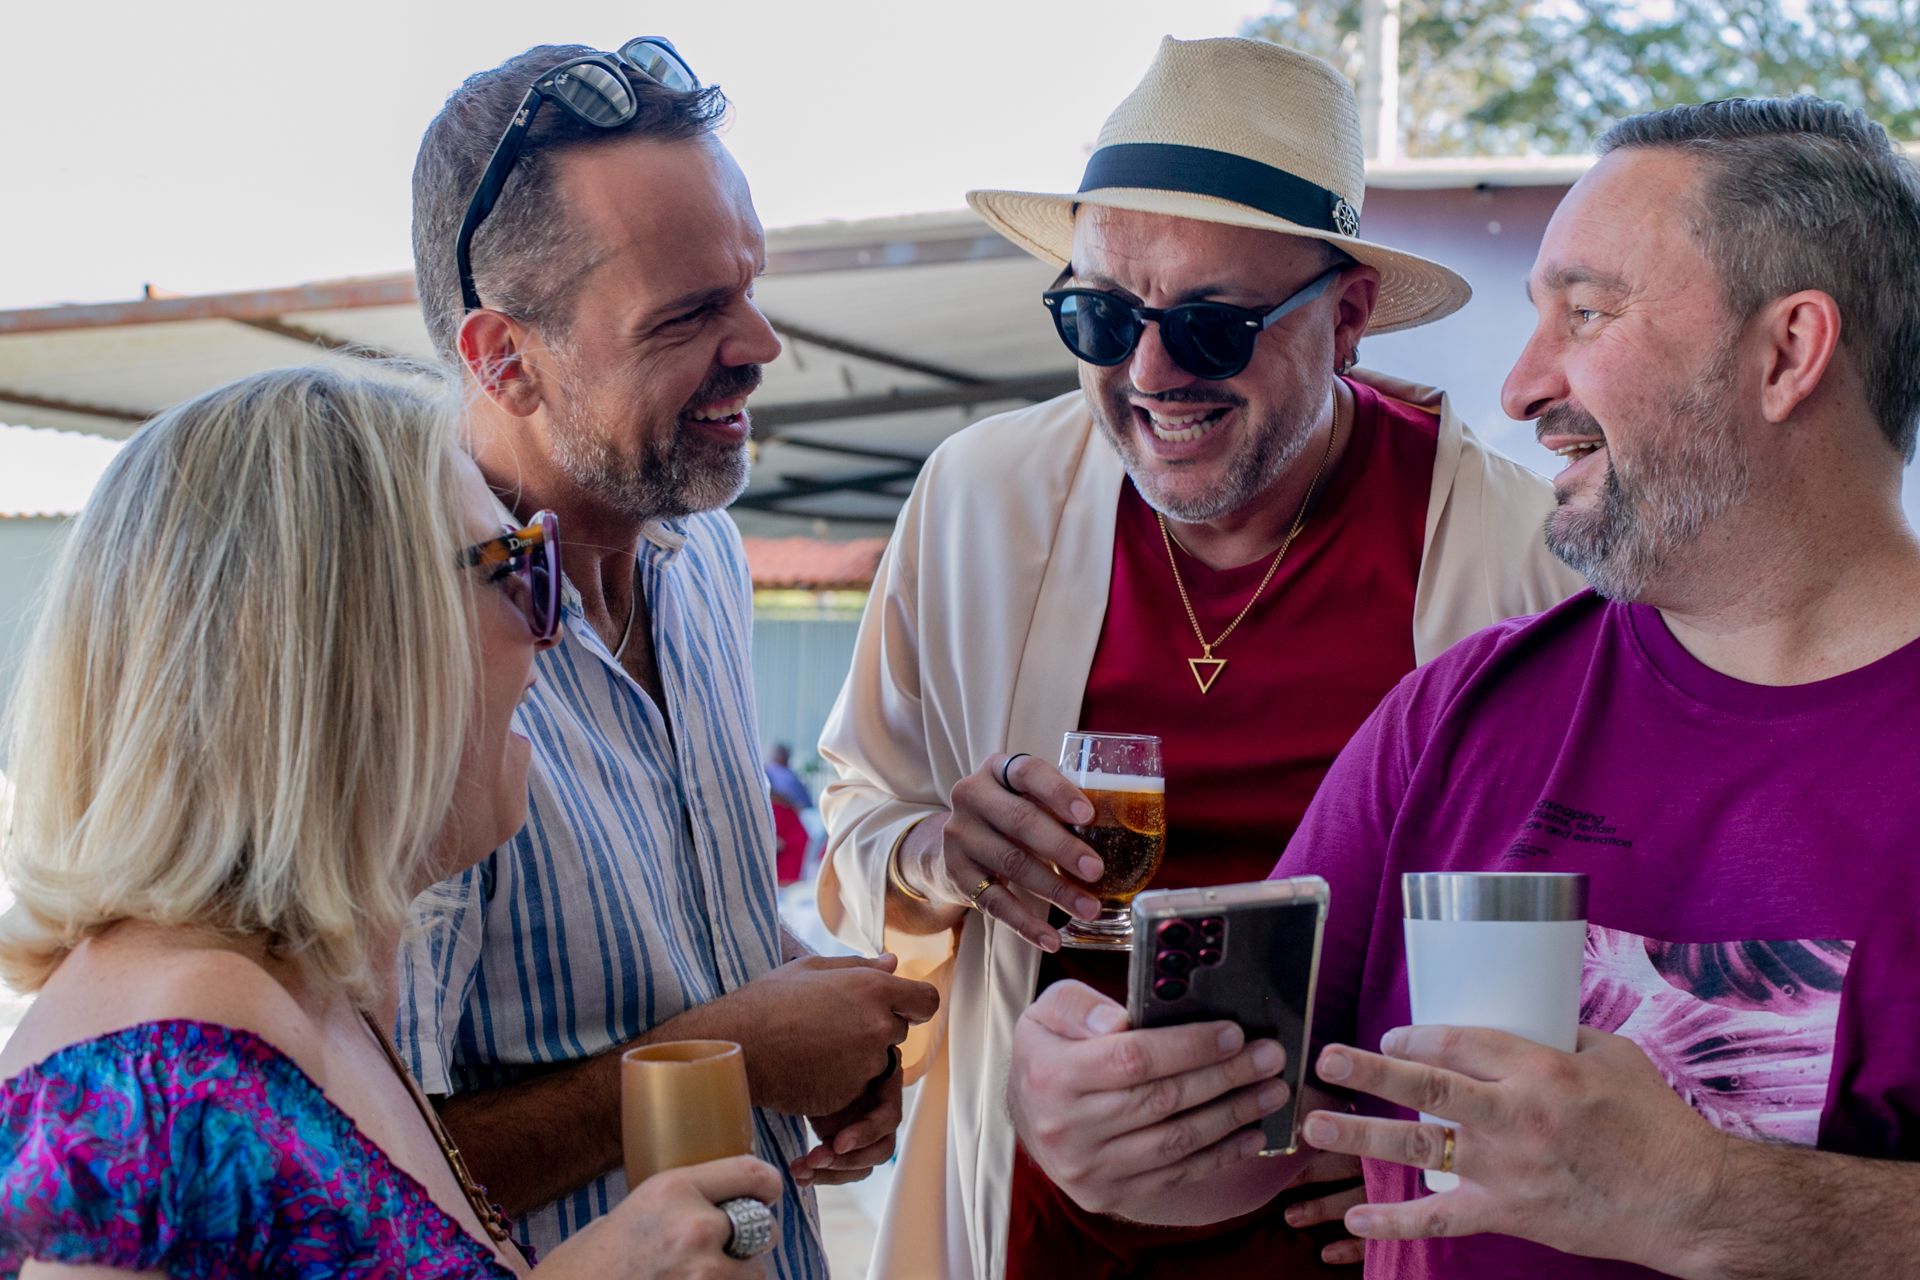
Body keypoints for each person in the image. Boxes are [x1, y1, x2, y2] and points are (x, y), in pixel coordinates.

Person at [1009, 95, 1920, 1278]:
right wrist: (1105, 1110)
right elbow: (1253, 1122)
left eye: (1586, 312)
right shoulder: (1456, 714)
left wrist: (1718, 1199)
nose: (1521, 386)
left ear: (1788, 352)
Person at [816, 35, 1583, 1279]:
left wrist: (1423, 1134)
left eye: (1213, 328)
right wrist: (942, 854)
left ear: (1346, 318)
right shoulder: (976, 504)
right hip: (1036, 1230)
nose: (1149, 373)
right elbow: (858, 821)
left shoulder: (1519, 557)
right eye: (1100, 316)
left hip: (1368, 1238)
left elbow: (1598, 928)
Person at [0, 366, 780, 1279]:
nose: (551, 627)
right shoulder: (184, 1044)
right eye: (517, 569)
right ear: (352, 640)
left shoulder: (286, 990)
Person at [396, 39, 940, 1274]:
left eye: (749, 285)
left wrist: (821, 1024)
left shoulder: (704, 556)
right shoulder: (400, 641)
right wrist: (737, 1056)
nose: (760, 342)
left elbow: (675, 950)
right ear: (504, 359)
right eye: (690, 313)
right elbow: (346, 1167)